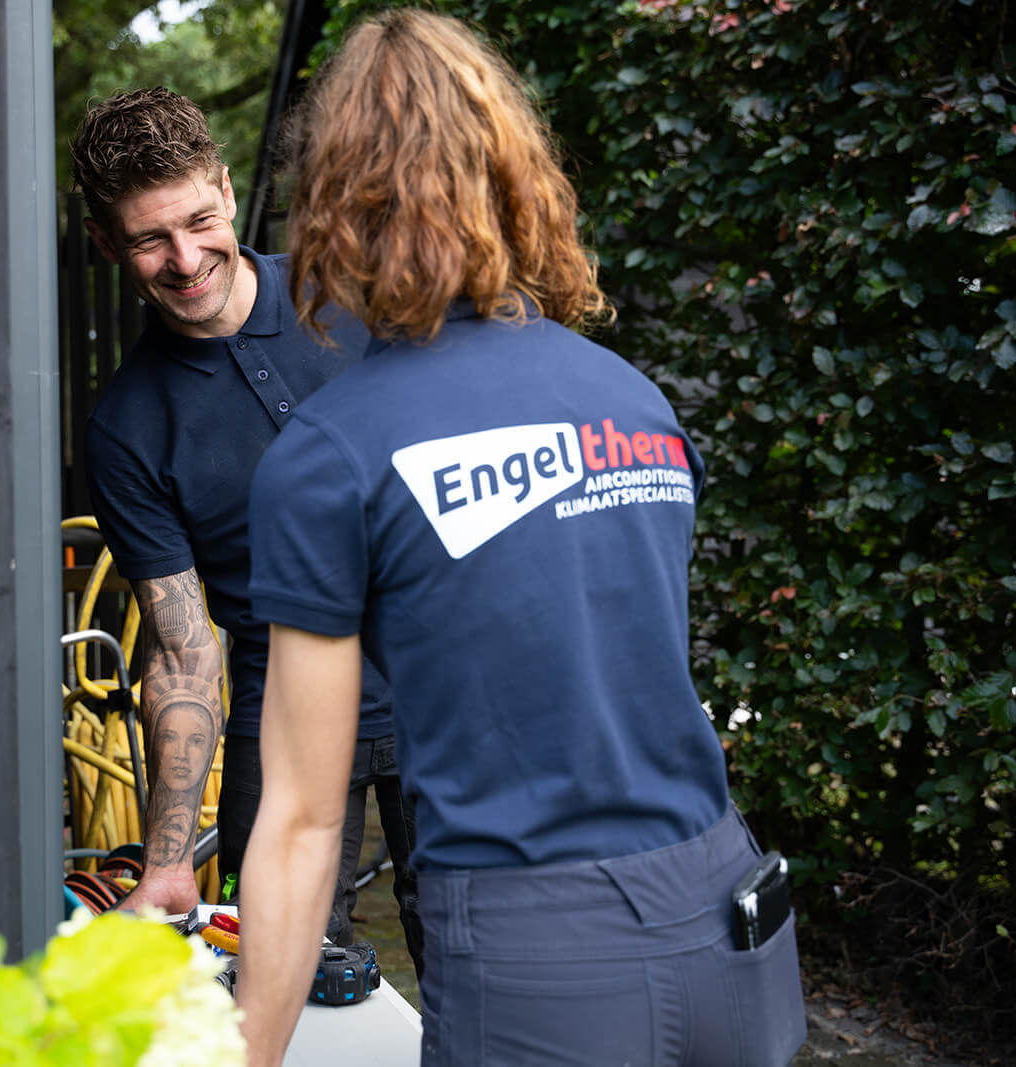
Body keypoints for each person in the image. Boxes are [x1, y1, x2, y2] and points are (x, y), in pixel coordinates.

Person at [234, 10, 806, 1066]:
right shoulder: (632, 399)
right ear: (511, 175)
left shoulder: (328, 455)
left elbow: (309, 820)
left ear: (337, 203)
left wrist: (245, 1052)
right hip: (733, 923)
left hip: (545, 963)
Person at [70, 88, 421, 967]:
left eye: (197, 219)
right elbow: (185, 651)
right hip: (287, 730)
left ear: (226, 191)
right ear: (110, 244)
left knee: (491, 969)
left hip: (446, 693)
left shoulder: (350, 293)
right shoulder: (126, 426)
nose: (186, 260)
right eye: (150, 239)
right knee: (282, 986)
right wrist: (164, 861)